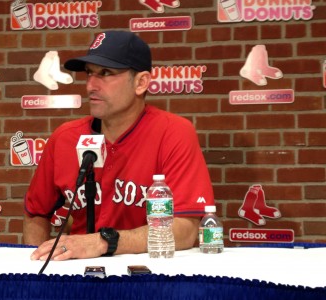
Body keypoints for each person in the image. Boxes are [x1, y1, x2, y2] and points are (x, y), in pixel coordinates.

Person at [23, 30, 214, 261]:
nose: (90, 86)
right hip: (77, 275)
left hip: (148, 275)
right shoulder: (65, 137)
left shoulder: (173, 133)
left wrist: (104, 241)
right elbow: (36, 213)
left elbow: (185, 230)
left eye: (105, 73)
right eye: (89, 73)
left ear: (141, 82)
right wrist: (33, 268)